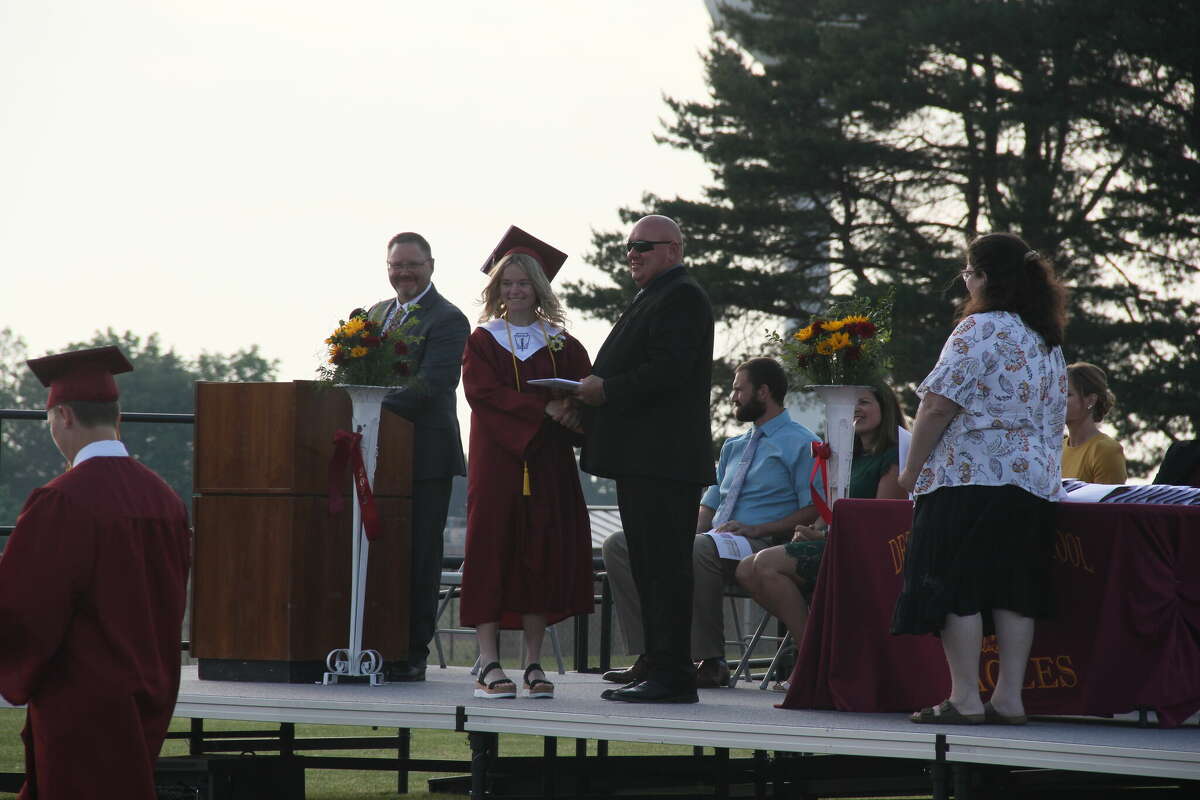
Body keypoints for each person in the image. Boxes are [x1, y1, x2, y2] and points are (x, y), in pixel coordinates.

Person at [891, 233, 1068, 726]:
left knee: (955, 586)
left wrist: (911, 471)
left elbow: (938, 404)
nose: (965, 282)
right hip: (1031, 482)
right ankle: (1009, 697)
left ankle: (965, 697)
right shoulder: (1046, 338)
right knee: (1015, 589)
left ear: (986, 278)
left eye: (967, 273)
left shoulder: (980, 329)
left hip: (970, 476)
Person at [0, 346, 192, 799]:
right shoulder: (164, 499)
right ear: (117, 416)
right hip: (152, 691)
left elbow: (25, 607)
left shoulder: (63, 499)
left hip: (82, 696)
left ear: (63, 415)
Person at [602, 358, 821, 690]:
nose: (732, 397)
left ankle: (710, 661)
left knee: (701, 547)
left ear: (763, 392)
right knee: (620, 543)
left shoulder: (801, 442)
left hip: (762, 544)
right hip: (714, 540)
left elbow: (812, 509)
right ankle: (653, 654)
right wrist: (684, 535)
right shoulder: (734, 446)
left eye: (738, 389)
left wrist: (756, 529)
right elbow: (711, 503)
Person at [577, 214, 716, 704]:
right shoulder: (655, 295)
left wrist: (606, 389)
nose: (632, 254)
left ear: (673, 250)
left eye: (643, 246)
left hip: (664, 459)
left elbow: (669, 370)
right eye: (628, 247)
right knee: (648, 564)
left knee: (664, 567)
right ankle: (658, 663)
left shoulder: (681, 296)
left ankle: (673, 675)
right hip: (645, 458)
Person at [459, 228, 593, 699]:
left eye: (524, 283)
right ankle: (488, 663)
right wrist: (543, 411)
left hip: (549, 464)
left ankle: (533, 664)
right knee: (491, 552)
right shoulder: (483, 341)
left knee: (539, 555)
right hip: (498, 463)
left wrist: (573, 412)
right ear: (496, 289)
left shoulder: (560, 342)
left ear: (540, 287)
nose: (515, 290)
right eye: (507, 283)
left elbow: (584, 393)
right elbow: (483, 395)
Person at [736, 382, 908, 678]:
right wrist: (810, 528)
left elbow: (881, 520)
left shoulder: (892, 459)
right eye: (852, 403)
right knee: (745, 569)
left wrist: (826, 536)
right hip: (833, 541)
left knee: (764, 564)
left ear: (886, 409)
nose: (856, 409)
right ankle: (818, 649)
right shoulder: (848, 458)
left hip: (864, 550)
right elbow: (831, 508)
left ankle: (810, 659)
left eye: (864, 402)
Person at [371, 231, 471, 682]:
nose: (404, 273)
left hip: (426, 458)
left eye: (412, 265)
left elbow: (434, 384)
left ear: (431, 266)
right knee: (378, 555)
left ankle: (411, 651)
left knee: (419, 557)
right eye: (396, 266)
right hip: (376, 459)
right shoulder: (374, 315)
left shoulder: (449, 319)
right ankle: (373, 641)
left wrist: (369, 404)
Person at [1061, 361, 1126, 484]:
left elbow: (1108, 502)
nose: (1057, 400)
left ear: (1091, 400)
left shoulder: (1106, 450)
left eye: (1067, 394)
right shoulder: (1056, 450)